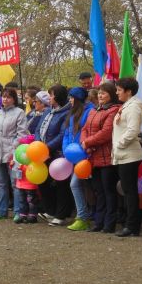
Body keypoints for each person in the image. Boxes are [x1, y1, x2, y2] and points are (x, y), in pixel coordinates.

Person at [81, 81, 121, 233]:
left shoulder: (113, 110)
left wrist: (88, 142)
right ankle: (99, 222)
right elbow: (84, 128)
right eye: (99, 93)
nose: (100, 95)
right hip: (93, 157)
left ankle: (109, 224)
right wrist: (84, 142)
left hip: (107, 158)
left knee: (108, 191)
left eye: (103, 93)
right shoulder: (93, 111)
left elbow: (106, 133)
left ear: (111, 94)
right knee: (98, 191)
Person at [112, 77, 142, 237]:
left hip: (129, 154)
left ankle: (132, 225)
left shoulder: (133, 107)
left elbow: (133, 130)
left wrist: (119, 144)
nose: (117, 93)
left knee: (130, 191)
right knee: (127, 190)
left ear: (128, 92)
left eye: (119, 90)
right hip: (123, 154)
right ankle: (131, 224)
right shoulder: (126, 106)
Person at [0, 87, 29, 220]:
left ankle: (18, 211)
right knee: (1, 183)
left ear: (14, 99)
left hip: (13, 152)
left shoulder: (19, 113)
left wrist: (13, 150)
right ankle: (2, 210)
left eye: (8, 97)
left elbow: (21, 133)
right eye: (3, 96)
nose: (5, 99)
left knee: (15, 182)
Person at [35, 85, 73, 227]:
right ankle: (49, 210)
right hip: (41, 153)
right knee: (42, 181)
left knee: (61, 184)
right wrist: (38, 144)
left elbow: (62, 134)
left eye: (50, 95)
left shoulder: (66, 113)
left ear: (57, 96)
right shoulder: (47, 112)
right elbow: (39, 129)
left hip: (57, 154)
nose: (48, 98)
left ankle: (61, 215)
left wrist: (47, 147)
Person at [64, 87, 94, 231]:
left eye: (71, 98)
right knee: (79, 185)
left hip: (84, 155)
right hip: (73, 155)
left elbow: (87, 132)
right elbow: (67, 133)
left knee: (75, 184)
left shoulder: (89, 111)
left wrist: (82, 151)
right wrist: (66, 149)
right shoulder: (72, 113)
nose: (69, 100)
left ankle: (83, 217)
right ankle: (84, 216)